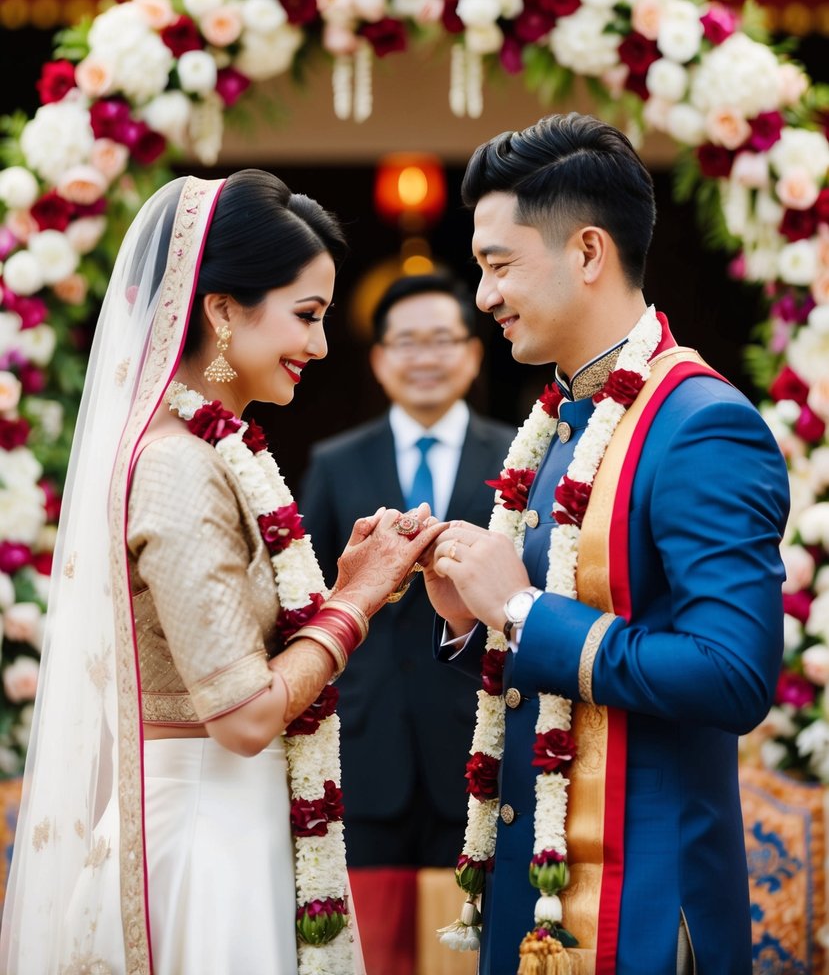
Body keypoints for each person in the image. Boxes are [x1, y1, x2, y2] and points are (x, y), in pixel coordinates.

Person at [0, 170, 446, 975]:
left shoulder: (210, 447)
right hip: (205, 853)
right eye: (304, 316)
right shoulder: (179, 465)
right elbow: (241, 718)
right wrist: (357, 598)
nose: (317, 344)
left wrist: (335, 590)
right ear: (220, 308)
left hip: (235, 829)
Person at [423, 113, 789, 975]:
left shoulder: (703, 426)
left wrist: (517, 607)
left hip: (643, 907)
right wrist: (477, 616)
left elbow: (733, 676)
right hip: (537, 899)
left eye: (498, 264)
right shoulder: (562, 418)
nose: (483, 297)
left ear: (587, 252)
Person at [300, 272, 514, 975]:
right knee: (367, 946)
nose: (424, 357)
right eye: (406, 342)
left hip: (480, 742)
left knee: (473, 940)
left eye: (442, 339)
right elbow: (312, 596)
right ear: (379, 357)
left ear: (474, 353)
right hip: (365, 744)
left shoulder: (517, 456)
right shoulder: (333, 462)